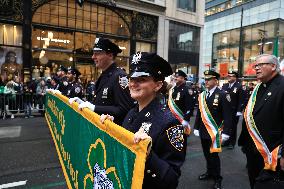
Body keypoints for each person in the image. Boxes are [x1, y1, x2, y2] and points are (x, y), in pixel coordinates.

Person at [100, 52, 187, 188]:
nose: (133, 84)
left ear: (157, 85)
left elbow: (171, 180)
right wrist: (112, 129)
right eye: (131, 79)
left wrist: (147, 155)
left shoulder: (169, 123)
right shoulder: (131, 113)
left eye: (141, 79)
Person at [238, 54, 284, 188]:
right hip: (252, 149)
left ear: (273, 66)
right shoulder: (259, 87)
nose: (256, 68)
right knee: (254, 182)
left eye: (260, 65)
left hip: (272, 151)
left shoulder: (281, 86)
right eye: (255, 66)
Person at [70, 37, 134, 125]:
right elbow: (100, 102)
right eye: (93, 53)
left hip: (111, 132)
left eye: (97, 53)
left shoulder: (119, 76)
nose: (93, 57)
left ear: (110, 55)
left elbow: (124, 109)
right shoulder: (104, 75)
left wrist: (94, 108)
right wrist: (84, 103)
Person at [193, 70, 233, 189]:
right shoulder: (203, 94)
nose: (206, 81)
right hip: (204, 130)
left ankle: (217, 178)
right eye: (205, 79)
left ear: (215, 81)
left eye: (208, 79)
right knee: (206, 154)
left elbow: (228, 116)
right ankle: (209, 172)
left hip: (216, 132)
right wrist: (196, 127)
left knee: (214, 156)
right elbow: (200, 113)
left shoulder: (223, 94)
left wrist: (226, 133)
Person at [221, 71, 244, 149]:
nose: (229, 77)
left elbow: (241, 100)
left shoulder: (239, 86)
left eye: (231, 76)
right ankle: (226, 141)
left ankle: (231, 142)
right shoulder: (224, 85)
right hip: (225, 110)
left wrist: (239, 110)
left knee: (233, 127)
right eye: (228, 76)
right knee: (225, 126)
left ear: (235, 77)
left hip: (234, 110)